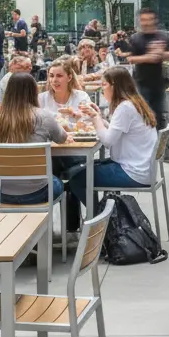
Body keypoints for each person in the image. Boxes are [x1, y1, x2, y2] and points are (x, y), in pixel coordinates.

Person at [65, 68, 158, 222]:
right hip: (141, 167)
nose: (102, 89)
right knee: (81, 170)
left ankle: (100, 221)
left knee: (77, 179)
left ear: (114, 85)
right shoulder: (133, 103)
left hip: (132, 171)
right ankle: (105, 217)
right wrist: (99, 118)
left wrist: (95, 118)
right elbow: (116, 131)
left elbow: (108, 141)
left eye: (104, 85)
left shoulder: (124, 108)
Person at [0, 72, 71, 204]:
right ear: (33, 91)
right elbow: (62, 138)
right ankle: (67, 224)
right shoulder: (43, 116)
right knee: (63, 180)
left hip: (1, 192)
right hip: (38, 192)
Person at [128, 8, 169, 163]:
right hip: (141, 84)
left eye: (149, 19)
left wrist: (161, 54)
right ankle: (144, 153)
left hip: (159, 84)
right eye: (143, 20)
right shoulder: (136, 39)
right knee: (142, 119)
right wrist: (148, 57)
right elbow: (130, 59)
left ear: (154, 20)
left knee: (162, 118)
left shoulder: (162, 36)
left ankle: (164, 152)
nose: (146, 23)